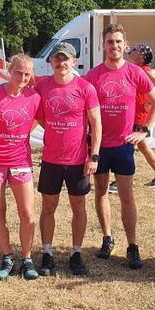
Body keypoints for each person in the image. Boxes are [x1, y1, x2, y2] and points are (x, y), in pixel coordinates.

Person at [85, 24, 155, 269]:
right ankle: (107, 238)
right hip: (99, 145)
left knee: (127, 196)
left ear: (124, 44)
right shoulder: (94, 76)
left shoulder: (135, 72)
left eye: (118, 42)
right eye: (110, 42)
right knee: (101, 193)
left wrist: (144, 129)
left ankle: (132, 244)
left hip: (123, 146)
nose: (114, 46)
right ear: (103, 45)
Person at [35, 41, 101, 276]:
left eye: (66, 59)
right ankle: (47, 252)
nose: (61, 63)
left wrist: (94, 155)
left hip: (78, 160)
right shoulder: (42, 87)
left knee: (78, 206)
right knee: (48, 206)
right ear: (51, 61)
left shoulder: (85, 88)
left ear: (74, 62)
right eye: (57, 58)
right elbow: (41, 117)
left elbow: (96, 123)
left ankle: (76, 252)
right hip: (52, 159)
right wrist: (56, 130)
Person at [0, 54, 41, 280]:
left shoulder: (34, 97)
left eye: (27, 73)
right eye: (18, 72)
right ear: (9, 71)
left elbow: (43, 120)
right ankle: (6, 256)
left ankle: (27, 258)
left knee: (28, 214)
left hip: (21, 162)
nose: (22, 77)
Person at [110, 43, 155, 191]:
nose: (131, 51)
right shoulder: (137, 69)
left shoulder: (145, 71)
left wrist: (151, 103)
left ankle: (121, 179)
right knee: (142, 146)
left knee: (127, 147)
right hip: (135, 114)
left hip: (139, 116)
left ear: (141, 56)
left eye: (135, 50)